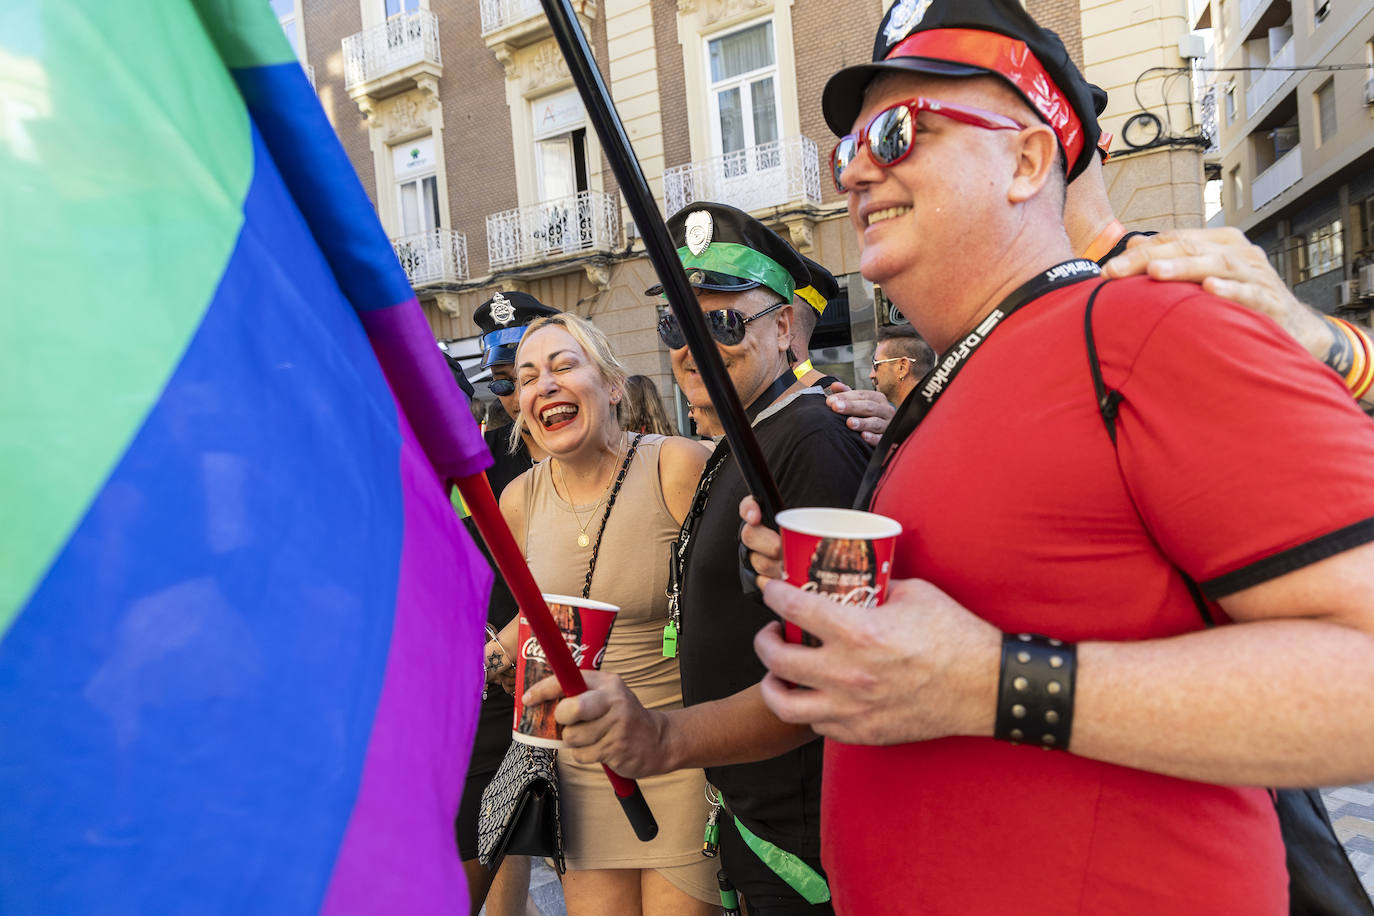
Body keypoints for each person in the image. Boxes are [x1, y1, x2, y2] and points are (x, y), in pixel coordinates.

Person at [736, 0, 1374, 912]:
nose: (859, 170)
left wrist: (989, 681)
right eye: (846, 153)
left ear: (1028, 160)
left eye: (895, 130)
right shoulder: (958, 381)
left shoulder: (1145, 328)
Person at [524, 202, 871, 914]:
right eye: (678, 325)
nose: (694, 347)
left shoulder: (808, 439)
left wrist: (663, 737)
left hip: (805, 844)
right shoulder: (748, 440)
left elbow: (839, 673)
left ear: (782, 327)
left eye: (723, 323)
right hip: (752, 820)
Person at [488, 313, 719, 916]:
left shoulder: (677, 467)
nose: (546, 385)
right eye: (530, 376)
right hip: (581, 765)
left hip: (678, 754)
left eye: (565, 366)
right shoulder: (520, 499)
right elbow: (535, 618)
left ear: (612, 384)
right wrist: (484, 659)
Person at [458, 290, 559, 916]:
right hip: (501, 665)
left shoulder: (578, 442)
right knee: (496, 825)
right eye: (502, 379)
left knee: (540, 825)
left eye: (516, 375)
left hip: (568, 664)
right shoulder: (482, 455)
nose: (510, 395)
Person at [867, 324, 933, 406]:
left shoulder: (918, 416)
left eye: (876, 365)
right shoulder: (934, 408)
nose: (871, 375)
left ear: (902, 367)